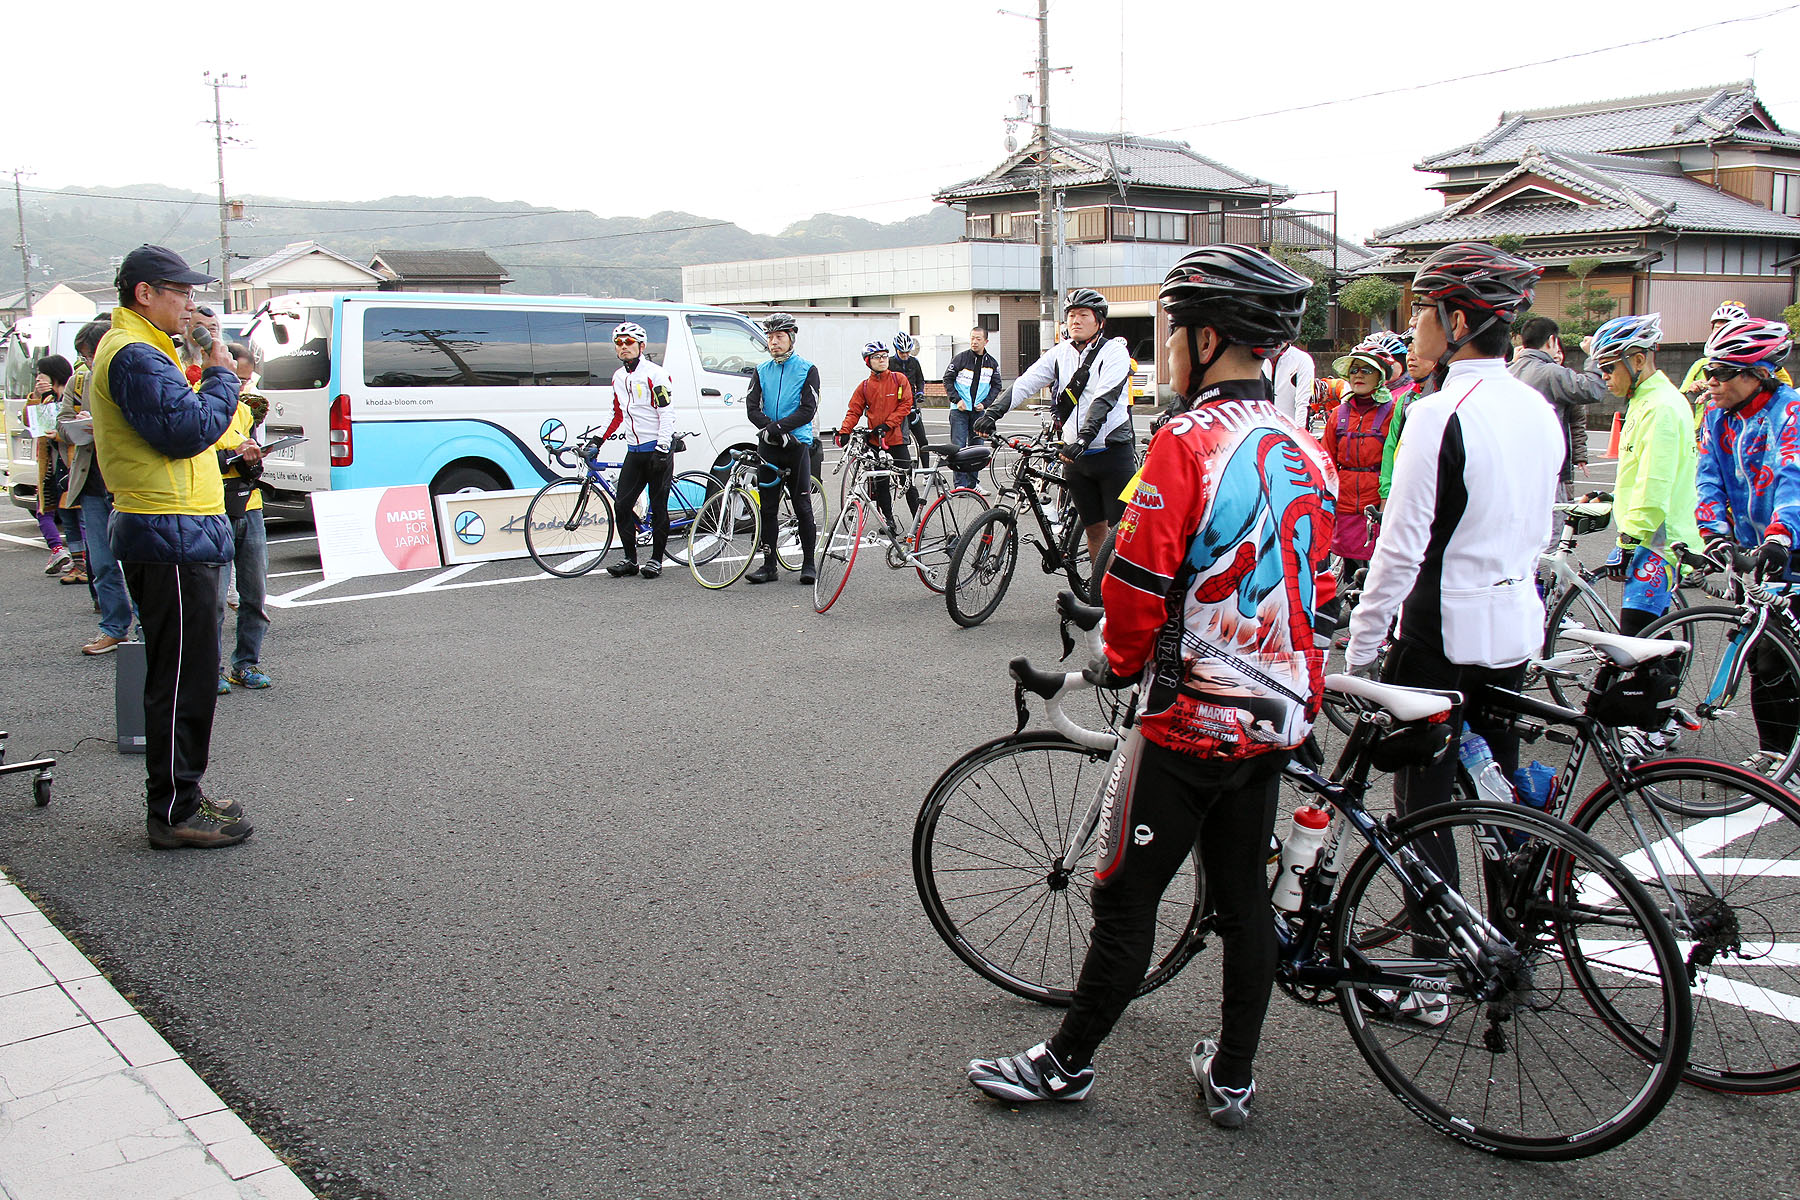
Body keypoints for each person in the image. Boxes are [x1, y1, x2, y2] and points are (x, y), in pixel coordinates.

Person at [967, 245, 1332, 1130]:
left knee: (1126, 894)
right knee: (1244, 900)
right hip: (1277, 714)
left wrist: (1119, 665)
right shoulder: (1304, 447)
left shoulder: (1186, 443)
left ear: (1206, 338)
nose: (1163, 347)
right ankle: (1234, 1076)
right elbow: (1318, 590)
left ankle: (1066, 1064)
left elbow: (1135, 582)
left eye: (1171, 331)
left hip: (1189, 717)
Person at [1346, 242, 1560, 856]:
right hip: (1514, 626)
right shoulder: (1536, 407)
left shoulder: (1438, 413)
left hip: (1439, 636)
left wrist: (1362, 648)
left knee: (1424, 809)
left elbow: (1400, 547)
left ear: (1457, 323)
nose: (1411, 330)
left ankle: (1439, 944)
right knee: (1497, 800)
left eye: (1420, 314)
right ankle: (1508, 933)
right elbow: (1539, 528)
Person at [90, 244, 252, 849]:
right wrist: (220, 371)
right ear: (143, 294)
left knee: (187, 671)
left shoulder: (146, 348)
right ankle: (176, 810)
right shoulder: (133, 352)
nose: (191, 304)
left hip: (174, 528)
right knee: (184, 675)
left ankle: (183, 796)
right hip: (169, 532)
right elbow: (187, 430)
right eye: (179, 292)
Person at [1694, 316, 1800, 762]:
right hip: (1750, 554)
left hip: (1788, 545)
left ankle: (1780, 751)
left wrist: (1781, 535)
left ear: (1757, 374)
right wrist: (1713, 534)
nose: (1710, 382)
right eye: (1707, 371)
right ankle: (1774, 753)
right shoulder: (1717, 417)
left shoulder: (1790, 411)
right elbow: (1708, 479)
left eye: (1721, 373)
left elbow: (1794, 476)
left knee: (1780, 653)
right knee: (1761, 653)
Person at [975, 288, 1133, 565]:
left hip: (1111, 454)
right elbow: (1027, 382)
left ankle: (1122, 600)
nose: (1076, 321)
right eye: (1071, 315)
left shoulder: (1114, 352)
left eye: (1084, 315)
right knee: (1094, 530)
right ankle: (1099, 598)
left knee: (1118, 536)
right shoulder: (1060, 353)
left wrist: (1084, 438)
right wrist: (993, 412)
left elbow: (1103, 399)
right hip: (1075, 458)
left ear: (1099, 321)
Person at [1587, 314, 1700, 636]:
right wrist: (1614, 496)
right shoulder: (1644, 400)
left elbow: (1656, 481)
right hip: (1650, 536)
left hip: (1657, 541)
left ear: (1638, 360)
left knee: (1637, 636)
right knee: (1648, 635)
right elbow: (1642, 471)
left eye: (1609, 367)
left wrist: (1627, 540)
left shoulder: (1660, 406)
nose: (1604, 376)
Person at [58, 318, 138, 655]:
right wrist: (77, 427)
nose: (89, 362)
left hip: (128, 485)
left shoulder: (131, 376)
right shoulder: (79, 382)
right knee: (103, 563)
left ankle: (148, 627)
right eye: (84, 357)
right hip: (92, 482)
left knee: (139, 563)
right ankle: (113, 627)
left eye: (92, 355)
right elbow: (60, 423)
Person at [744, 312, 820, 584]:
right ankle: (768, 565)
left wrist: (778, 428)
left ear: (791, 339)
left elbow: (808, 409)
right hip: (770, 447)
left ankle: (809, 563)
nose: (774, 342)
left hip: (796, 445)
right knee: (767, 508)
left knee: (801, 505)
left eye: (779, 337)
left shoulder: (807, 369)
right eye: (770, 337)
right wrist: (769, 429)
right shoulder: (762, 369)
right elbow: (752, 407)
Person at [213, 366, 273, 693]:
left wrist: (252, 459)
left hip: (248, 502)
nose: (237, 384)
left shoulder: (245, 411)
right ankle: (212, 669)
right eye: (229, 377)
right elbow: (195, 456)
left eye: (239, 379)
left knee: (254, 592)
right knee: (215, 598)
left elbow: (254, 457)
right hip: (212, 505)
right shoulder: (200, 407)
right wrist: (231, 456)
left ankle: (246, 664)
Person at [600, 322, 677, 580]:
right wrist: (598, 440)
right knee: (622, 505)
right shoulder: (618, 377)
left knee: (658, 507)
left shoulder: (655, 374)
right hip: (634, 450)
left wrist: (663, 448)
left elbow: (666, 412)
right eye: (619, 344)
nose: (623, 347)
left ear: (641, 346)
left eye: (629, 343)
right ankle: (630, 560)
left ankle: (656, 560)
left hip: (657, 449)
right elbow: (617, 414)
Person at [1508, 315, 1606, 505]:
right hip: (1547, 469)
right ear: (1551, 340)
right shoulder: (1551, 372)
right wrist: (1594, 354)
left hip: (1514, 468)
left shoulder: (1509, 371)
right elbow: (1593, 389)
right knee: (1552, 526)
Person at [1322, 344, 1394, 582]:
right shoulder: (1338, 414)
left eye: (1366, 370)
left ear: (1380, 377)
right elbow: (1326, 461)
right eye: (1354, 371)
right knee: (1350, 564)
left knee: (1379, 564)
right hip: (1345, 503)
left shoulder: (1392, 413)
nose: (1359, 375)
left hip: (1378, 502)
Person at [835, 340, 920, 533]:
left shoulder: (899, 380)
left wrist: (888, 424)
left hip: (896, 439)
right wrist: (844, 431)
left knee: (906, 481)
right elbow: (853, 411)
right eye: (876, 357)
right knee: (880, 484)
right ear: (868, 361)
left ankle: (918, 521)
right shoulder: (864, 387)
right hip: (875, 441)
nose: (882, 360)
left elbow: (906, 405)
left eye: (884, 356)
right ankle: (889, 520)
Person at [29, 355, 76, 577]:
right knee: (45, 509)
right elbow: (33, 424)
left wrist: (57, 435)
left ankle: (81, 562)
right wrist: (37, 397)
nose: (38, 378)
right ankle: (61, 552)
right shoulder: (47, 400)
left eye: (42, 374)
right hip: (51, 467)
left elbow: (73, 431)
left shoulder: (72, 395)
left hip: (71, 466)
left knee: (78, 517)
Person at [942, 326, 1004, 489]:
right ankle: (960, 484)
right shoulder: (960, 358)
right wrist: (957, 400)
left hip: (978, 412)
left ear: (986, 341)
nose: (974, 342)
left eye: (978, 339)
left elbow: (997, 386)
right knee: (958, 447)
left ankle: (973, 483)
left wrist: (985, 404)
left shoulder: (991, 362)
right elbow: (947, 379)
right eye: (972, 338)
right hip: (959, 411)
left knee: (977, 448)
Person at [890, 331, 930, 467]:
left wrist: (920, 392)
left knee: (923, 440)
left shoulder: (914, 362)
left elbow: (920, 380)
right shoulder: (890, 363)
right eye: (902, 353)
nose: (906, 355)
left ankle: (926, 473)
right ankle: (903, 471)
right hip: (897, 408)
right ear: (896, 350)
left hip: (912, 406)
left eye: (908, 352)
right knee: (902, 442)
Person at [1261, 337, 1315, 427]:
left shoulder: (1302, 359)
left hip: (1290, 427)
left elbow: (1303, 401)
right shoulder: (1260, 360)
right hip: (1264, 426)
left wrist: (1299, 432)